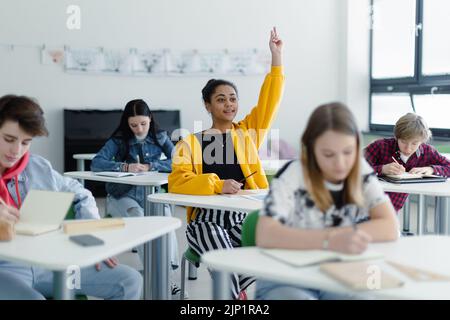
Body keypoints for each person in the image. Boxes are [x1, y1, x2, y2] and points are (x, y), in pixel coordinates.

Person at [169, 27, 284, 300]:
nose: (229, 104)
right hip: (206, 221)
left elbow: (270, 100)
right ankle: (235, 298)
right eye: (221, 99)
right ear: (207, 106)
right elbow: (177, 181)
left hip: (241, 217)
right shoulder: (190, 143)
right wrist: (216, 184)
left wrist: (277, 57)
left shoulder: (248, 134)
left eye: (233, 99)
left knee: (274, 251)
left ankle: (233, 292)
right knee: (224, 256)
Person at [0, 95, 142, 300]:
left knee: (129, 280)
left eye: (26, 142)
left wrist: (91, 238)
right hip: (7, 269)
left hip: (50, 265)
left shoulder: (38, 167)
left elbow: (81, 194)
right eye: (9, 139)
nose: (17, 151)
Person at [255, 102, 399, 300]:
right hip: (285, 275)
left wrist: (338, 239)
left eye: (348, 152)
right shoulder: (293, 173)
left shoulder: (360, 169)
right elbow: (266, 234)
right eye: (328, 154)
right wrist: (330, 241)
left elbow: (389, 227)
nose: (340, 164)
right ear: (311, 150)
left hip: (337, 272)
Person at [90, 99, 180, 296]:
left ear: (150, 119)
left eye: (143, 124)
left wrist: (152, 166)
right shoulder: (118, 139)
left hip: (153, 196)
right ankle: (157, 275)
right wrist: (124, 167)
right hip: (123, 195)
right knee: (140, 220)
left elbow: (180, 162)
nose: (139, 129)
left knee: (167, 223)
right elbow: (96, 163)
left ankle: (168, 274)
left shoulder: (161, 136)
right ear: (127, 124)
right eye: (133, 125)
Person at [364, 112, 450, 212]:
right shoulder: (380, 146)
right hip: (364, 202)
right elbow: (354, 169)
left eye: (414, 143)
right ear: (396, 137)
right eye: (403, 142)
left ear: (422, 141)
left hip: (392, 209)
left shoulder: (427, 151)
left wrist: (431, 169)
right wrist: (382, 169)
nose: (408, 149)